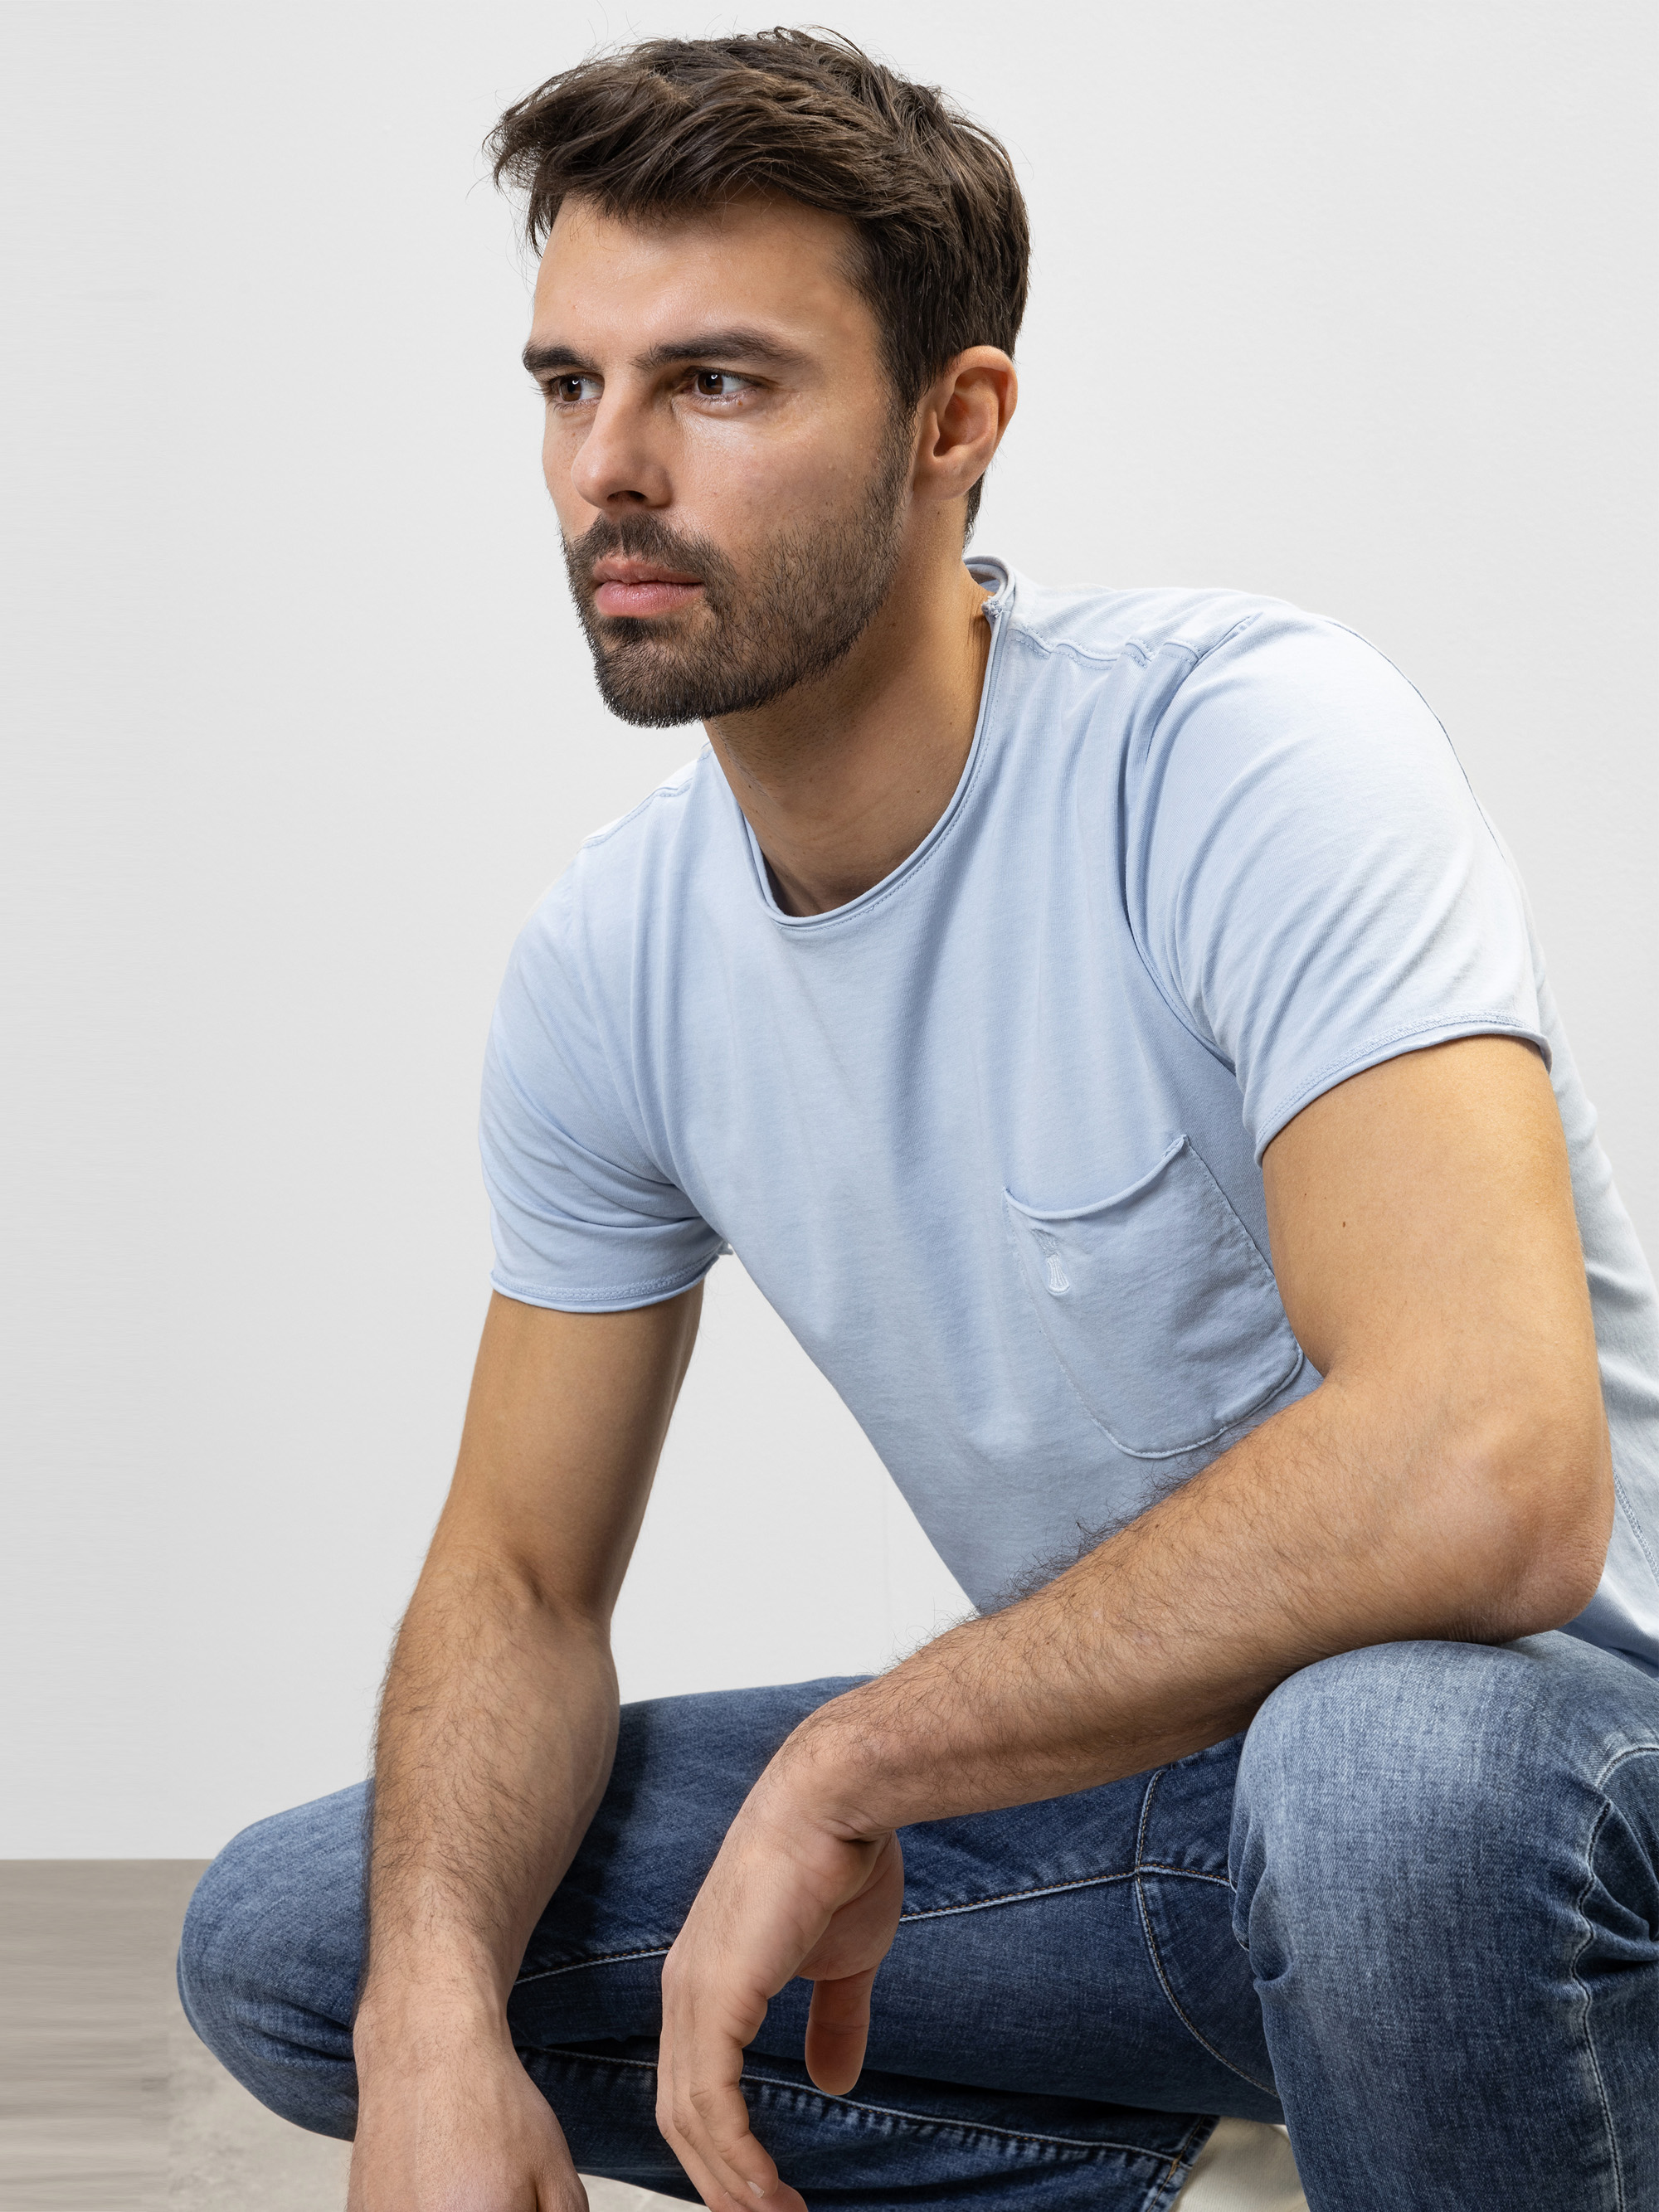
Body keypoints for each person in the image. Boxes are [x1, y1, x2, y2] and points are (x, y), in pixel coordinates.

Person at [178, 28, 1659, 2212]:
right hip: (1162, 1832)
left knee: (1381, 1768)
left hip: (1567, 1803)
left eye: (718, 382)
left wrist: (862, 1757)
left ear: (954, 421)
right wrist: (428, 2030)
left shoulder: (1236, 754)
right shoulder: (615, 959)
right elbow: (520, 1577)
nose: (610, 470)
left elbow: (1490, 1471)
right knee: (321, 1939)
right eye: (570, 384)